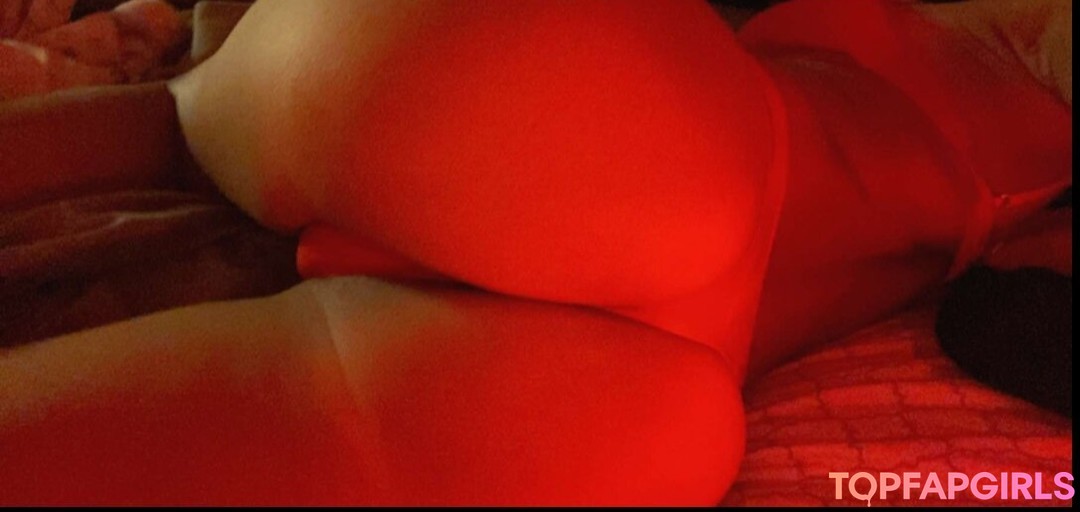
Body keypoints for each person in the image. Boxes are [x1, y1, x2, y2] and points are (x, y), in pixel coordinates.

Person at [0, 0, 1071, 505]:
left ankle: (192, 118)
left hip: (664, 339)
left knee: (656, 442)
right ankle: (188, 116)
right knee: (678, 193)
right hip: (642, 129)